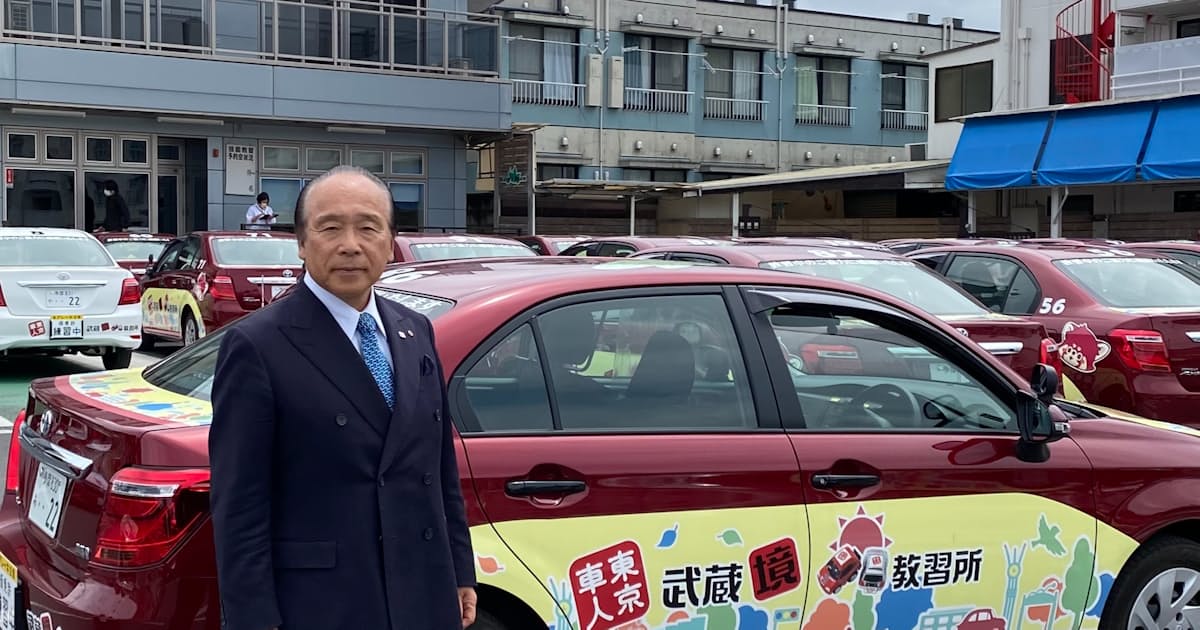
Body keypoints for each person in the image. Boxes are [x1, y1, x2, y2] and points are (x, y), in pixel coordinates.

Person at [208, 166, 477, 630]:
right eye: (329, 227)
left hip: (423, 590)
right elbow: (239, 506)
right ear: (300, 242)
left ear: (390, 241)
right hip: (322, 603)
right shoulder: (258, 346)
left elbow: (438, 468)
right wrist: (253, 619)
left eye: (368, 227)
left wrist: (458, 569)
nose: (350, 244)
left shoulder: (416, 331)